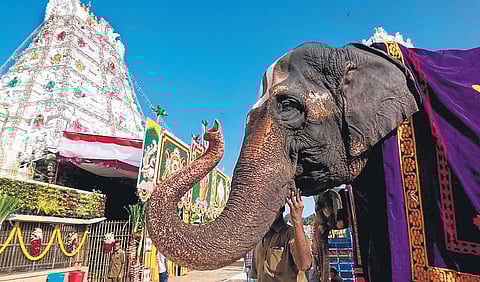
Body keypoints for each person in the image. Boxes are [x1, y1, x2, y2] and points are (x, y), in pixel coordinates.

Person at [250, 189, 313, 282]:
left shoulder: (291, 234)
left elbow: (305, 265)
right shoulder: (260, 237)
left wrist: (297, 221)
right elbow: (257, 275)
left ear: (280, 210)